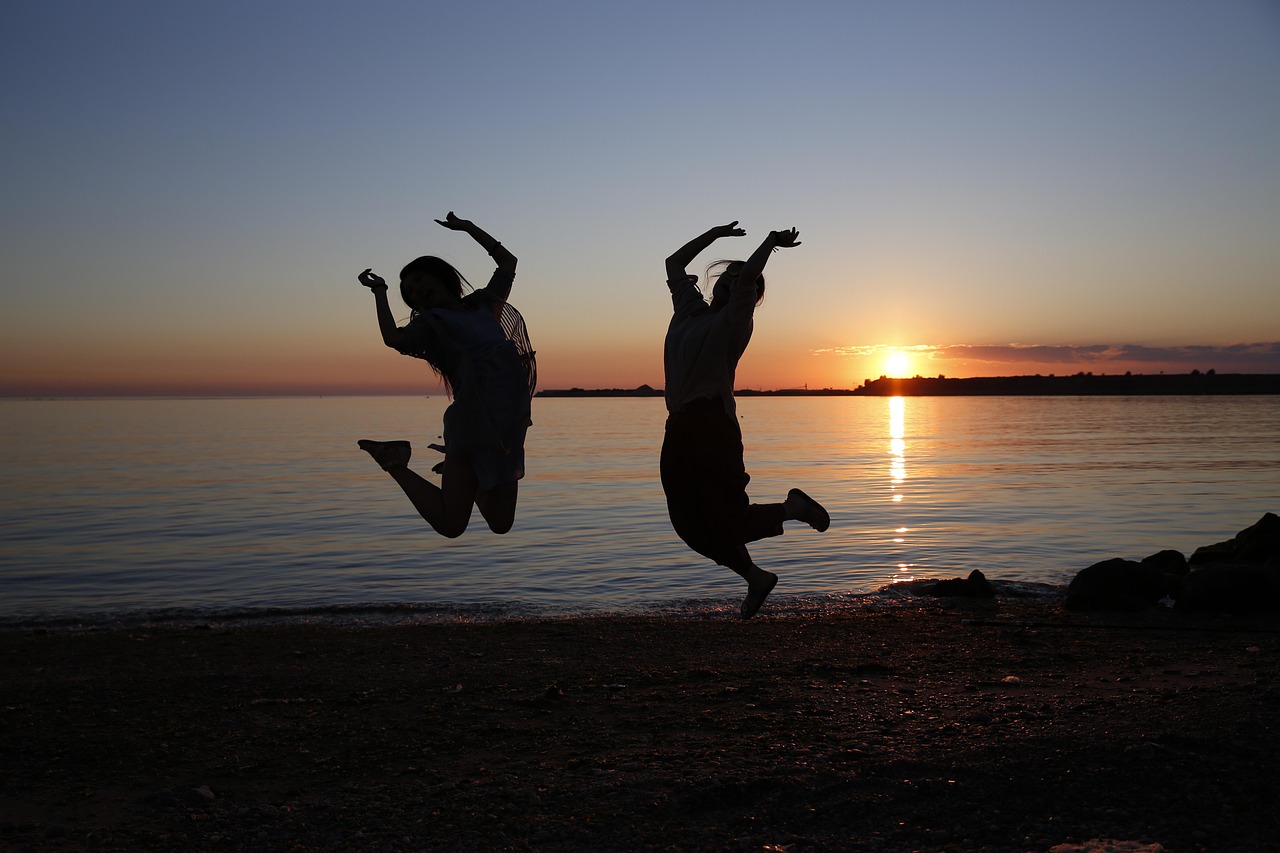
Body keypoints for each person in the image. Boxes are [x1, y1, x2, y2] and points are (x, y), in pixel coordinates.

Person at [661, 221, 830, 618]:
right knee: (689, 524)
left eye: (743, 283)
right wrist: (714, 235)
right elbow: (672, 264)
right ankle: (755, 577)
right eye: (727, 276)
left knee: (728, 521)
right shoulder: (689, 310)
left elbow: (748, 277)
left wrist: (769, 243)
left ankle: (793, 509)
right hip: (678, 428)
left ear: (751, 296)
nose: (733, 282)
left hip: (713, 427)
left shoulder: (736, 320)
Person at [357, 212, 535, 537]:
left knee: (500, 523)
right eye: (409, 290)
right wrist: (380, 292)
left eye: (420, 280)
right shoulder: (431, 325)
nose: (416, 289)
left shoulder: (484, 306)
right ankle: (393, 461)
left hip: (508, 428)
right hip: (472, 425)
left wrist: (467, 228)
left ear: (442, 278)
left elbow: (508, 262)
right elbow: (394, 339)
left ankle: (466, 474)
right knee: (451, 525)